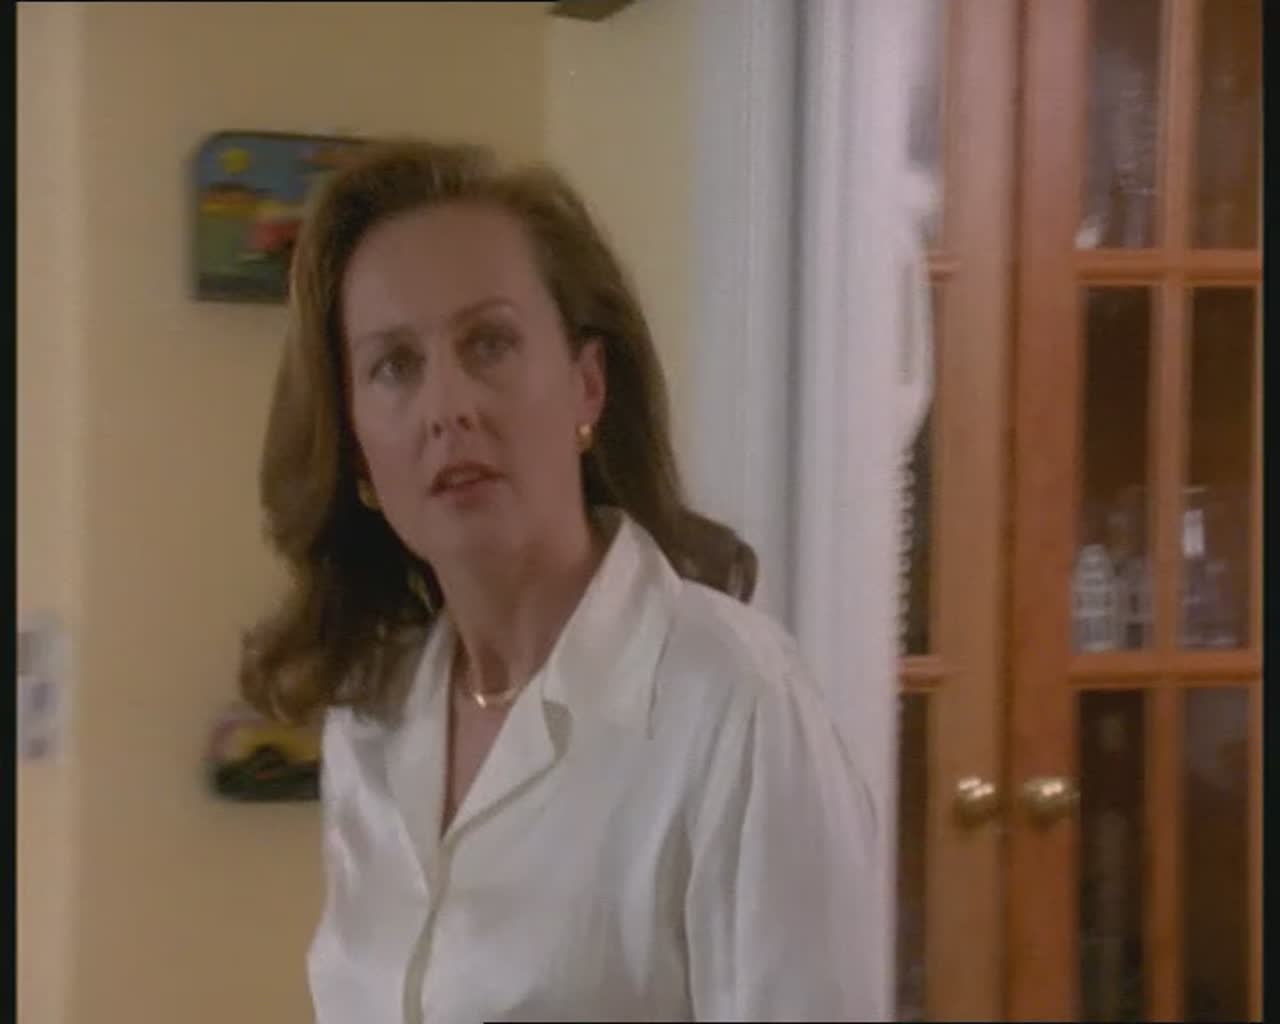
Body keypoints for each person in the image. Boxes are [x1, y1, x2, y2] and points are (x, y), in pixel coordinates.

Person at [240, 138, 879, 1023]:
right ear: (355, 446)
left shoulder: (735, 704)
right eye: (395, 365)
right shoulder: (373, 718)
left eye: (489, 344)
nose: (448, 407)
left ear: (586, 387)